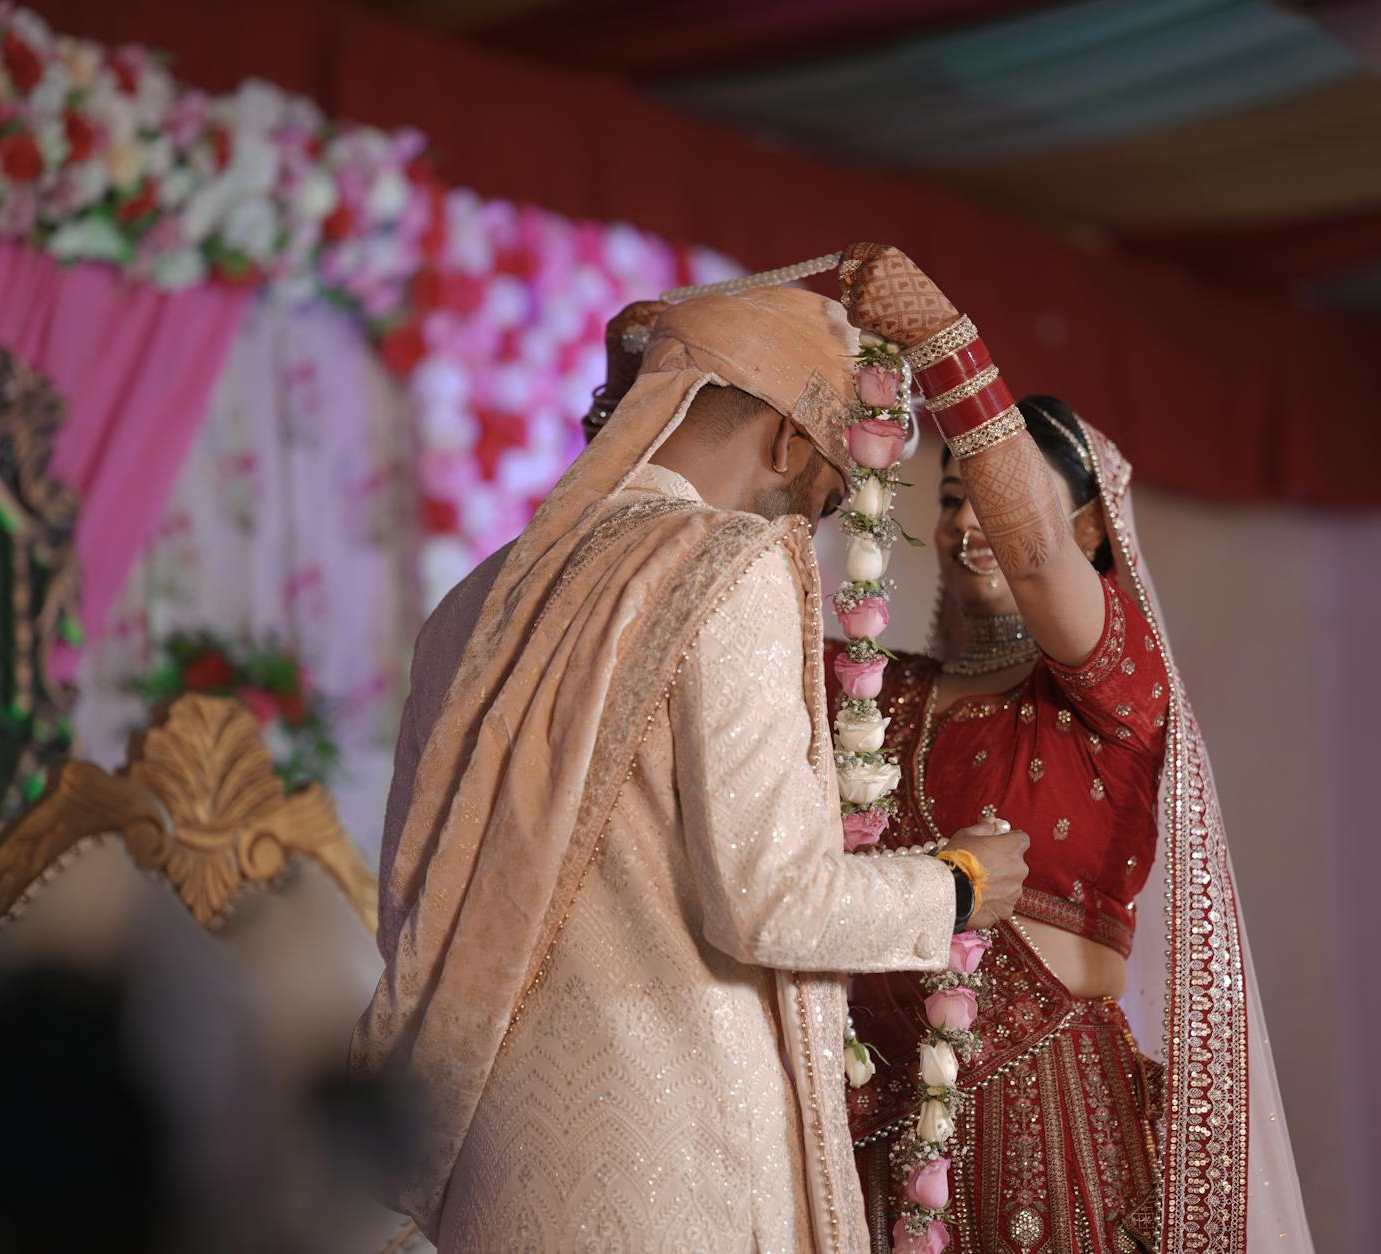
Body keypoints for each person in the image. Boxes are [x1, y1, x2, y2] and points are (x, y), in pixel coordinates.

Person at [352, 283, 1031, 1252]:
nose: (809, 521)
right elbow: (766, 899)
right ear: (787, 440)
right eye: (822, 494)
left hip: (496, 1165)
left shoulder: (474, 597)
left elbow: (413, 893)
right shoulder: (727, 561)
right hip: (675, 1159)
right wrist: (953, 887)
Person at [833, 245, 1316, 1253]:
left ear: (1091, 527)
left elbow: (1038, 552)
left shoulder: (1114, 688)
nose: (971, 524)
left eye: (997, 500)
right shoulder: (880, 698)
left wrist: (943, 347)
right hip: (876, 1136)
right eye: (954, 496)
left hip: (1046, 1114)